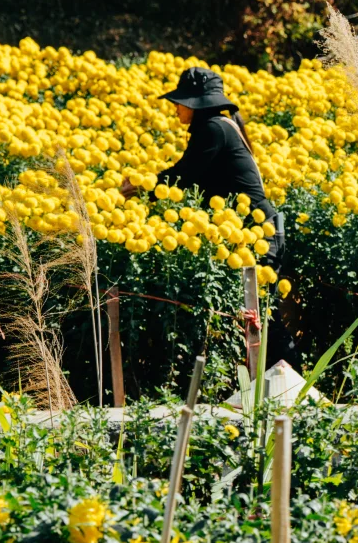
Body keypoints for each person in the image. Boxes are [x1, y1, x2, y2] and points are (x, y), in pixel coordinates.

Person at [126, 65, 298, 365]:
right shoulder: (220, 126)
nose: (176, 108)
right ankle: (276, 387)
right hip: (257, 231)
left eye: (180, 101)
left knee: (261, 316)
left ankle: (289, 388)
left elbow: (184, 176)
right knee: (256, 316)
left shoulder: (213, 129)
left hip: (257, 234)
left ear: (196, 103)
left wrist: (140, 187)